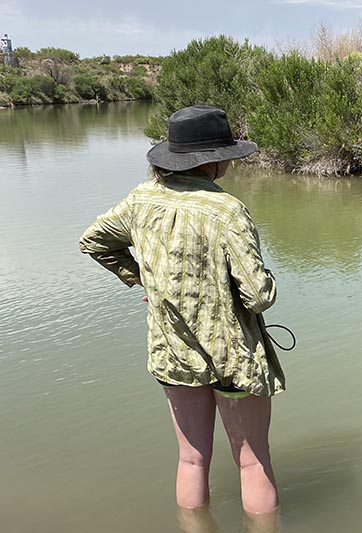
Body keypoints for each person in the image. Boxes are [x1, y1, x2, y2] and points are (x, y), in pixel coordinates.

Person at [79, 105, 285, 518]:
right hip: (233, 355)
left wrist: (145, 280)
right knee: (252, 460)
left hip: (172, 349)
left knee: (191, 460)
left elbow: (94, 241)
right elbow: (258, 296)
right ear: (213, 160)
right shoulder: (227, 211)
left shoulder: (140, 199)